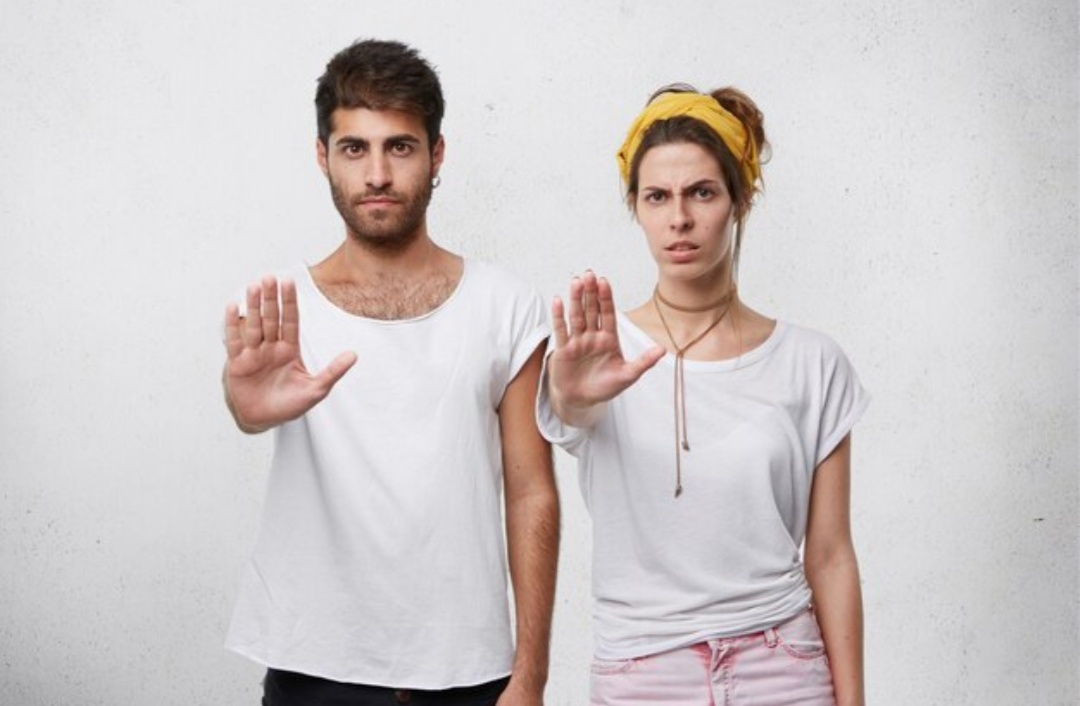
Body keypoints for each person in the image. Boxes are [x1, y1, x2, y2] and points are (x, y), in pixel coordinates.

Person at [221, 39, 559, 706]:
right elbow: (248, 408)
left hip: (471, 676)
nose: (377, 173)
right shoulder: (279, 309)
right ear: (323, 156)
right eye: (355, 148)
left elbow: (531, 493)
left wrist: (530, 676)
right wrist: (246, 409)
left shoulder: (507, 306)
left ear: (437, 154)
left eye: (400, 147)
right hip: (313, 670)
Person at [538, 84, 869, 705]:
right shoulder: (601, 352)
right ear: (636, 207)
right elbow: (572, 411)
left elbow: (830, 554)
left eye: (702, 193)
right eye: (657, 197)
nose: (679, 219)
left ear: (741, 200)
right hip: (642, 673)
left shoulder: (812, 363)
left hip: (783, 666)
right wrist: (570, 393)